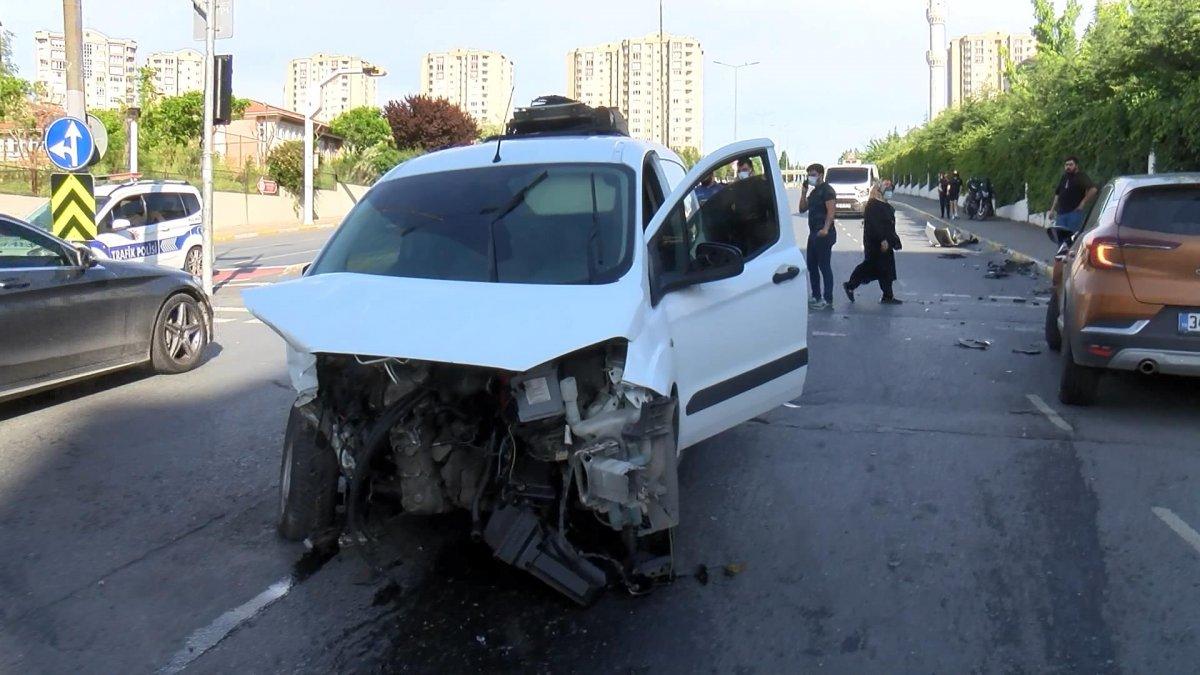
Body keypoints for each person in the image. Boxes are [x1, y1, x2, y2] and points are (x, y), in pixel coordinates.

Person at [843, 180, 903, 305]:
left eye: (891, 190)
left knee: (886, 268)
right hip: (876, 243)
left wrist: (893, 240)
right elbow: (875, 225)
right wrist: (883, 240)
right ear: (879, 191)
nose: (889, 192)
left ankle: (888, 296)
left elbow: (890, 225)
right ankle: (850, 285)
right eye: (887, 190)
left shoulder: (885, 205)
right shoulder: (873, 205)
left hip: (886, 242)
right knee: (870, 266)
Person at [797, 162, 837, 310]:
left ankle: (827, 299)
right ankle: (816, 295)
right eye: (809, 175)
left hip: (824, 234)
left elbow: (831, 212)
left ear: (820, 175)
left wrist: (825, 229)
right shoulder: (814, 193)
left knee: (824, 266)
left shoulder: (827, 191)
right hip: (813, 233)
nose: (810, 177)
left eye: (813, 174)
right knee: (812, 265)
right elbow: (802, 209)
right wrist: (803, 192)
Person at [1049, 156, 1098, 233]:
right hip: (1061, 214)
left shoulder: (1081, 176)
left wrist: (1083, 202)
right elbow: (1057, 193)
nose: (1068, 167)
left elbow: (1093, 189)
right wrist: (1052, 210)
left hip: (1074, 213)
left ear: (1076, 166)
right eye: (1066, 165)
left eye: (1071, 164)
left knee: (1072, 236)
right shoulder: (1064, 177)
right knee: (1060, 236)